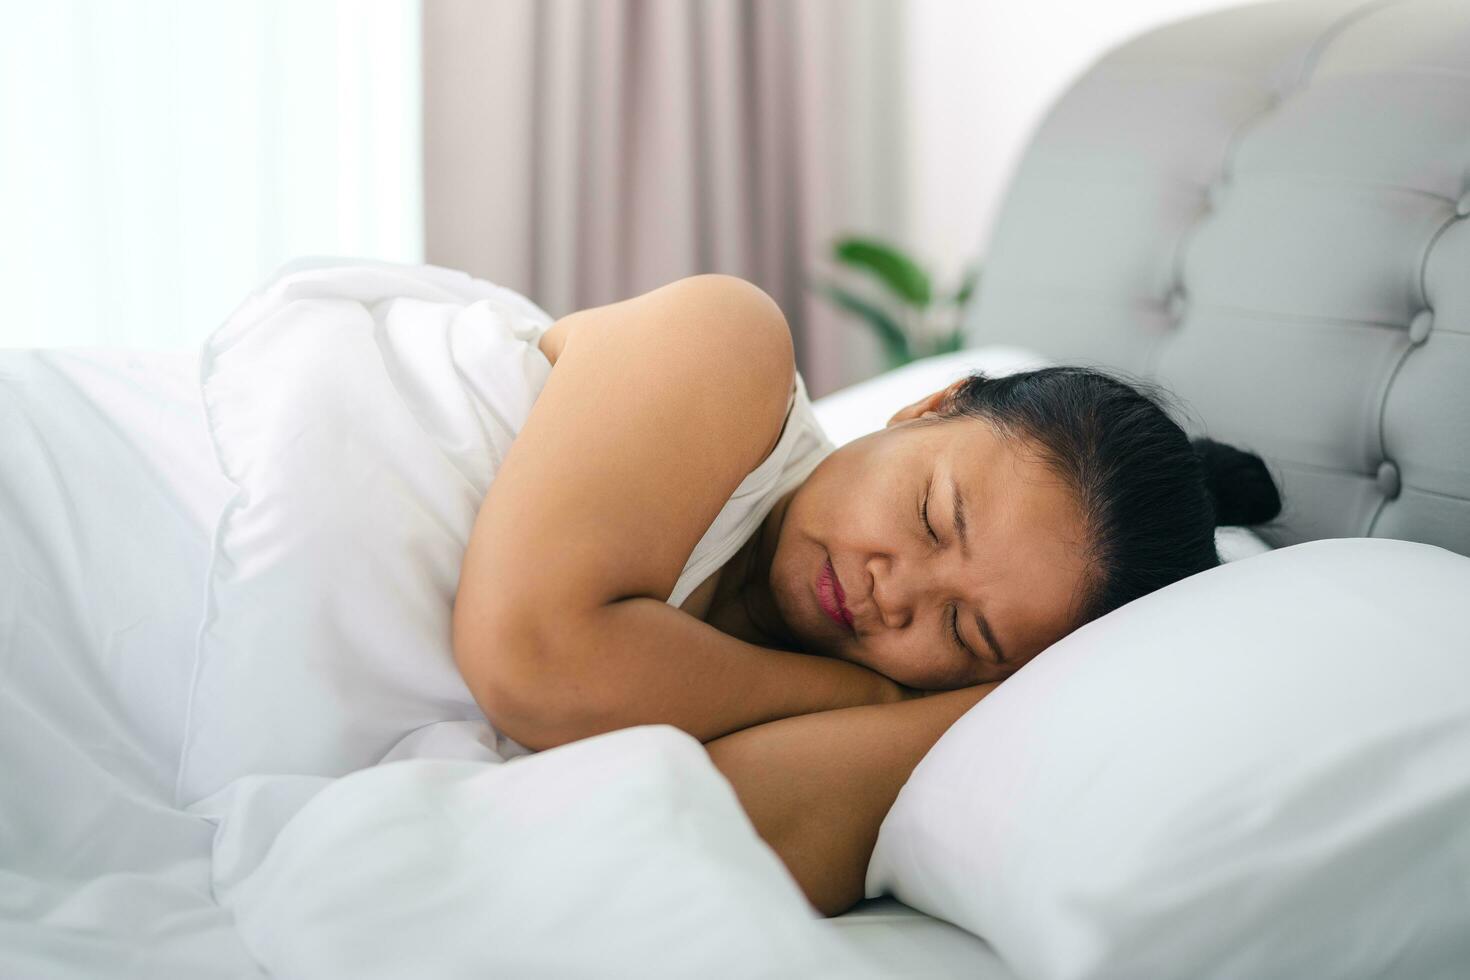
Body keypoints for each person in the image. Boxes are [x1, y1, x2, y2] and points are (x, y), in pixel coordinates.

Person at [451, 272, 1282, 917]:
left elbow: (673, 853)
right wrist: (862, 688)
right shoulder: (724, 346)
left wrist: (972, 705)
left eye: (965, 630)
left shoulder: (822, 716)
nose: (897, 592)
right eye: (930, 516)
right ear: (927, 407)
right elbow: (533, 661)